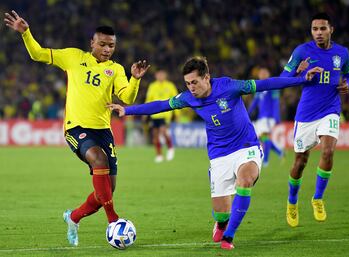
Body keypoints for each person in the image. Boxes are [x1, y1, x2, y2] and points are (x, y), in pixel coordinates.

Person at [107, 56, 322, 250]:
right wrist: (128, 110)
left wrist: (301, 79)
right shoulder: (188, 98)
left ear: (207, 78)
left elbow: (267, 84)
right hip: (219, 154)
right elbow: (161, 105)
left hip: (246, 147)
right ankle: (221, 223)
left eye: (195, 82)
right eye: (188, 83)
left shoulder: (229, 86)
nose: (191, 87)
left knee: (245, 181)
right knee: (221, 212)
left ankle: (229, 237)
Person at [4, 10, 150, 246]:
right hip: (76, 128)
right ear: (92, 43)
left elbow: (128, 98)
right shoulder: (73, 57)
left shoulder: (116, 70)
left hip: (103, 131)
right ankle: (113, 220)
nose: (106, 49)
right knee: (99, 161)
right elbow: (38, 54)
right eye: (102, 44)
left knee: (106, 193)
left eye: (111, 45)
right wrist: (26, 33)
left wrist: (135, 79)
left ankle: (72, 218)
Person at [280, 12, 349, 228]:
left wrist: (347, 83)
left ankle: (318, 198)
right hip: (306, 115)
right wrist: (301, 75)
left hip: (331, 109)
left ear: (331, 29)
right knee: (300, 162)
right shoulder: (302, 51)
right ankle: (292, 201)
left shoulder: (342, 53)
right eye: (314, 29)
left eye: (322, 28)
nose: (318, 33)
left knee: (329, 151)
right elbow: (282, 79)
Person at [248, 67, 284, 167]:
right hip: (261, 118)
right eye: (261, 74)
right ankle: (279, 152)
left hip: (269, 118)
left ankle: (266, 161)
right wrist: (247, 114)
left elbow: (276, 102)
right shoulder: (259, 88)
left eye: (265, 73)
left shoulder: (272, 86)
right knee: (263, 138)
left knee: (265, 137)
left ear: (268, 75)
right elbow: (254, 103)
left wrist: (277, 117)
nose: (262, 75)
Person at [144, 70, 178, 163]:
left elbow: (176, 100)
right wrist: (145, 112)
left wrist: (177, 114)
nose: (160, 76)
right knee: (155, 136)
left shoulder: (170, 86)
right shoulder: (152, 86)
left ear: (165, 75)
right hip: (154, 115)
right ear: (156, 75)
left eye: (162, 74)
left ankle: (170, 148)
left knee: (163, 132)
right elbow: (148, 99)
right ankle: (159, 155)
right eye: (159, 74)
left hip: (166, 115)